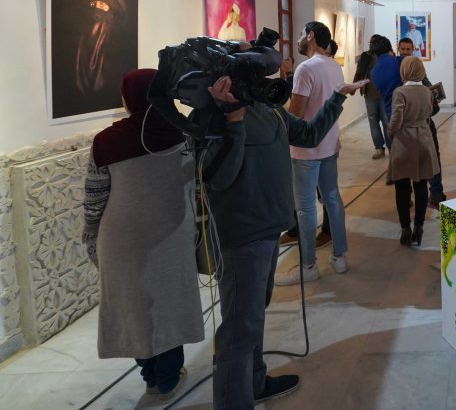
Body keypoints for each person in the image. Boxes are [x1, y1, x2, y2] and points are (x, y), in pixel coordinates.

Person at [199, 64, 366, 409]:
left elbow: (309, 134)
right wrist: (232, 120)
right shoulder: (212, 117)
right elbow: (218, 177)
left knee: (253, 317)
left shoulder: (270, 111)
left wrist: (337, 98)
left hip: (268, 231)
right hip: (242, 237)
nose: (263, 81)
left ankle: (255, 382)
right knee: (238, 331)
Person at [82, 69, 203, 401]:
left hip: (123, 238)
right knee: (170, 302)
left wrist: (90, 233)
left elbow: (95, 197)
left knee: (134, 305)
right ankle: (167, 377)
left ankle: (150, 373)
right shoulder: (184, 132)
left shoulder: (107, 141)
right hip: (172, 232)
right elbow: (196, 184)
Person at [275, 22, 351, 286]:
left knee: (306, 207)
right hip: (330, 144)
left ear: (310, 36)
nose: (297, 38)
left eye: (300, 34)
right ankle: (339, 257)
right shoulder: (334, 66)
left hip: (306, 149)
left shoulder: (305, 69)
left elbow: (295, 115)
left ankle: (308, 265)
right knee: (332, 199)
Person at [388, 56, 440, 247]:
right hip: (424, 140)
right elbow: (429, 114)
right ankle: (419, 227)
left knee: (402, 187)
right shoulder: (427, 92)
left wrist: (391, 131)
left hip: (404, 141)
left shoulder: (400, 92)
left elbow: (396, 119)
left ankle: (405, 229)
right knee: (421, 186)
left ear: (404, 70)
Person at [398, 37, 445, 206]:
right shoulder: (396, 70)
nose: (405, 52)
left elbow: (429, 88)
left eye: (408, 49)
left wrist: (430, 97)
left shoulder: (418, 69)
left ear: (413, 50)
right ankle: (411, 196)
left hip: (425, 123)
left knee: (433, 157)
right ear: (398, 49)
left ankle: (436, 194)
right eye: (403, 49)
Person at [354, 34, 390, 159]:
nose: (372, 45)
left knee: (387, 121)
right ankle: (379, 148)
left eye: (374, 43)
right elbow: (359, 72)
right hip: (369, 94)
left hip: (385, 93)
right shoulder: (365, 56)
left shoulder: (386, 56)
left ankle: (392, 147)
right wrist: (354, 87)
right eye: (371, 43)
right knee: (373, 121)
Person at [370, 36, 403, 120]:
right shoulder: (400, 61)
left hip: (391, 113)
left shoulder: (374, 72)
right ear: (390, 49)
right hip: (407, 111)